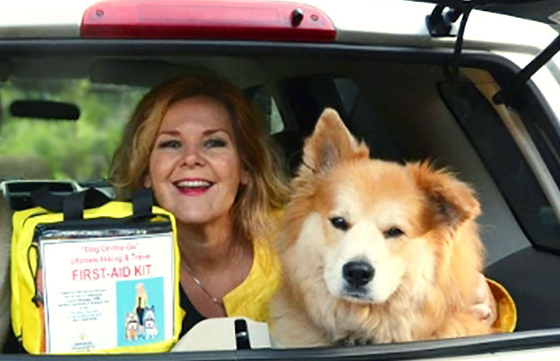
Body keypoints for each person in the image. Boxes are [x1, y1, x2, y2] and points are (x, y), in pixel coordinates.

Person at [109, 74, 504, 336]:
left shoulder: (300, 237)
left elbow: (429, 295)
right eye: (170, 144)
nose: (191, 159)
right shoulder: (102, 257)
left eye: (214, 142)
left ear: (246, 167)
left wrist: (477, 294)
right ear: (146, 171)